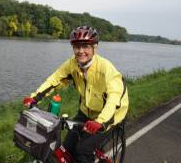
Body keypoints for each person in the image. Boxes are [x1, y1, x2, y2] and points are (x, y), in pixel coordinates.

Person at [24, 26, 129, 163]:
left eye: (85, 46)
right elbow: (55, 79)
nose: (80, 51)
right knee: (67, 149)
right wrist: (35, 97)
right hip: (86, 111)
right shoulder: (72, 64)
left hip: (111, 115)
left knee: (83, 150)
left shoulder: (105, 68)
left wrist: (101, 121)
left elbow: (115, 97)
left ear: (94, 47)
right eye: (76, 46)